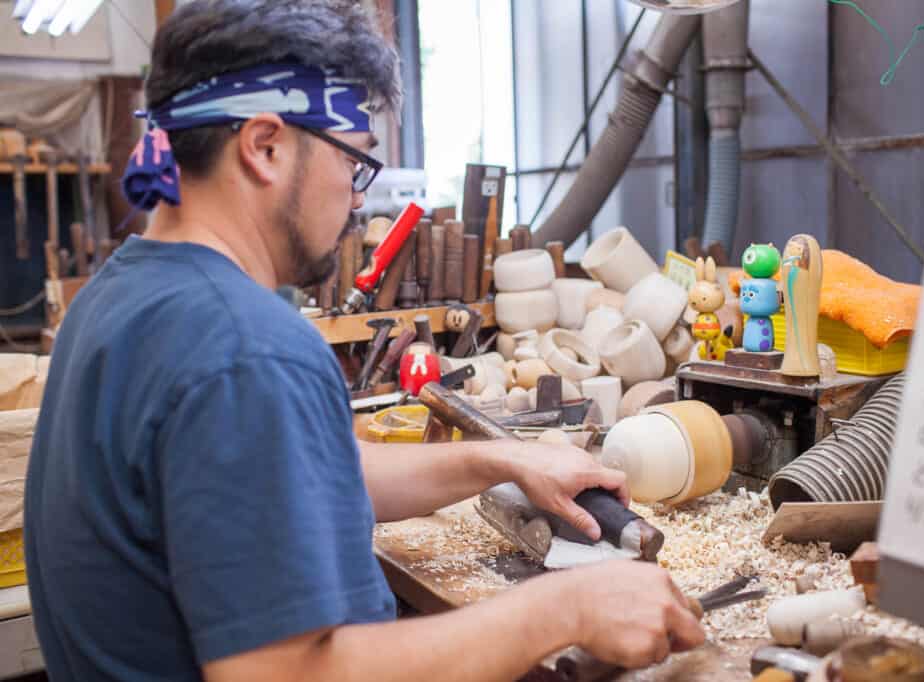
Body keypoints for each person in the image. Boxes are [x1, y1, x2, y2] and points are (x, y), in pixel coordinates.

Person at [23, 1, 704, 680]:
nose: (356, 202)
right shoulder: (246, 349)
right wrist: (567, 610)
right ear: (264, 147)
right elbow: (283, 674)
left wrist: (505, 461)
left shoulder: (116, 297)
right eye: (354, 164)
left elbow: (313, 478)